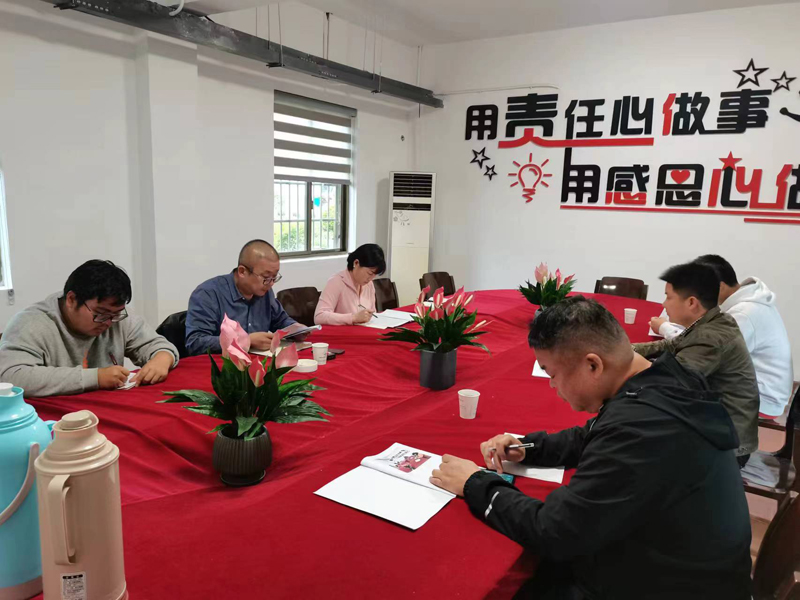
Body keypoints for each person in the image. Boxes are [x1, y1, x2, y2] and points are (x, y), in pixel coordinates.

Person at [429, 297, 752, 600]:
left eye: (552, 374)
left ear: (593, 365)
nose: (552, 386)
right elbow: (593, 434)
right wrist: (528, 447)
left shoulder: (641, 429)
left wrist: (475, 483)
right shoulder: (661, 379)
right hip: (682, 565)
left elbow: (554, 532)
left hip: (669, 585)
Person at [634, 262, 759, 465]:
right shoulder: (713, 321)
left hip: (726, 444)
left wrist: (624, 364)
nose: (664, 304)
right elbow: (669, 345)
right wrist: (624, 349)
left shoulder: (711, 336)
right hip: (713, 424)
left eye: (668, 297)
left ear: (692, 303)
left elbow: (669, 381)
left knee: (635, 439)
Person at [0, 260, 178, 397]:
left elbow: (156, 345)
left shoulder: (116, 316)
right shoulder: (31, 324)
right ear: (71, 300)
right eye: (100, 313)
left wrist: (162, 358)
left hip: (106, 410)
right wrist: (96, 378)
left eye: (116, 314)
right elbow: (11, 376)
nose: (108, 322)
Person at [651, 255, 793, 419]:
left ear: (720, 286)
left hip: (761, 399)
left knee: (666, 391)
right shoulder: (746, 301)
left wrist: (665, 328)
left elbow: (703, 350)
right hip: (753, 386)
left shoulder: (744, 314)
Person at [185, 240, 297, 356]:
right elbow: (195, 343)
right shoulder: (208, 294)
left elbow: (281, 320)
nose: (271, 283)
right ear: (242, 272)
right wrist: (245, 341)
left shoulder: (265, 290)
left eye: (274, 277)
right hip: (222, 365)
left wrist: (298, 330)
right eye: (266, 277)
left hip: (259, 361)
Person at [314, 244, 386, 326]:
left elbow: (372, 314)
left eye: (374, 275)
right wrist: (353, 318)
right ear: (356, 263)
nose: (371, 279)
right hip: (341, 332)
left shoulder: (369, 285)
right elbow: (319, 317)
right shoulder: (336, 282)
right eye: (369, 273)